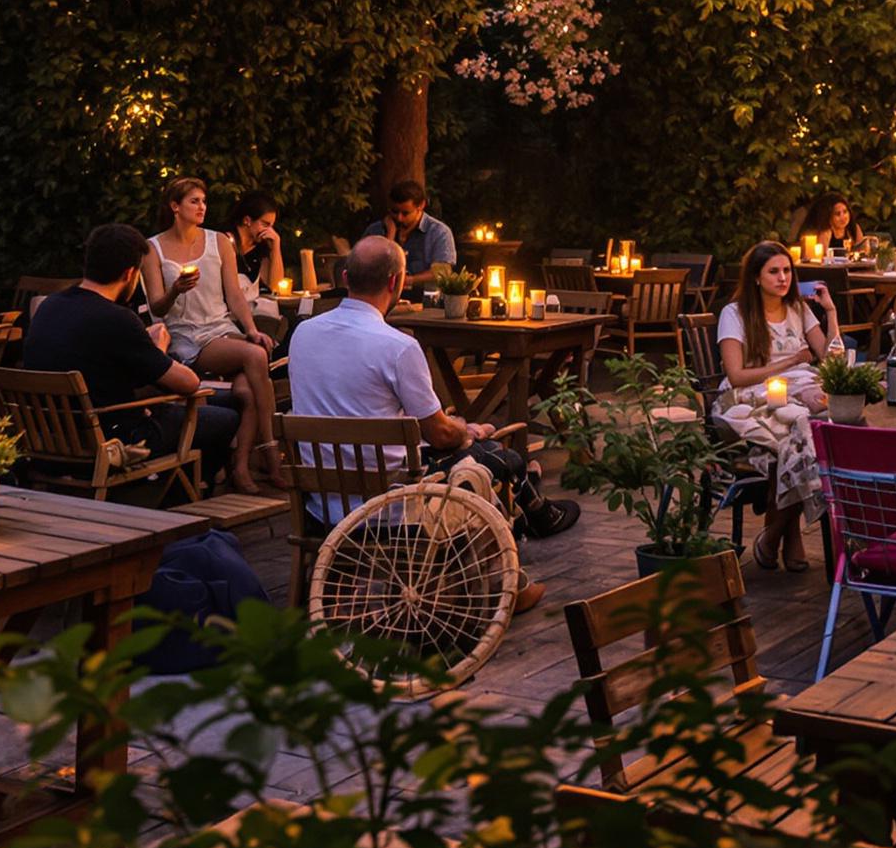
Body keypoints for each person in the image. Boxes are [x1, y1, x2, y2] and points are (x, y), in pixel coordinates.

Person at [288, 236, 577, 561]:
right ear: (395, 282)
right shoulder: (397, 347)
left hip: (323, 505)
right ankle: (521, 535)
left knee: (483, 449)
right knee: (491, 452)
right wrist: (464, 431)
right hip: (391, 507)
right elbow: (439, 435)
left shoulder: (303, 333)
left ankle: (533, 511)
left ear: (344, 278)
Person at [25, 224, 241, 484]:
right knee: (226, 417)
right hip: (113, 441)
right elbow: (188, 383)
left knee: (223, 400)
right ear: (129, 274)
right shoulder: (117, 319)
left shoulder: (50, 306)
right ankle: (177, 497)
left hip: (52, 439)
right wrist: (156, 347)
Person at [139, 177, 279, 491]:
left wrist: (252, 329)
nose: (202, 207)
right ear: (175, 207)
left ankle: (240, 467)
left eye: (204, 201)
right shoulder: (153, 248)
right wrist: (175, 290)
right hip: (186, 336)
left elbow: (234, 294)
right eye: (194, 201)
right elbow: (157, 309)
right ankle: (271, 451)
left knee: (246, 392)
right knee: (256, 355)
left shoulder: (219, 242)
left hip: (222, 329)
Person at [715, 241, 843, 571]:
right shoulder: (736, 314)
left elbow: (830, 358)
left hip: (798, 391)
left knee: (821, 425)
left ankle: (777, 533)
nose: (783, 278)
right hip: (749, 397)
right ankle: (787, 535)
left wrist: (829, 312)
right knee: (804, 432)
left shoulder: (799, 308)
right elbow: (737, 375)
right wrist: (789, 362)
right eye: (774, 271)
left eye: (787, 270)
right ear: (756, 277)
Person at [361, 180, 456, 288]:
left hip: (423, 300)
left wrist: (408, 280)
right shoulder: (375, 230)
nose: (399, 218)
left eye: (405, 213)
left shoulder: (439, 232)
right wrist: (390, 237)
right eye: (394, 211)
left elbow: (442, 272)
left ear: (421, 205)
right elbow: (364, 269)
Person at [222, 192, 287, 290]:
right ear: (247, 220)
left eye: (271, 226)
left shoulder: (260, 248)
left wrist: (276, 246)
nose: (269, 231)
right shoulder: (223, 241)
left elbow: (275, 286)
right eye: (265, 224)